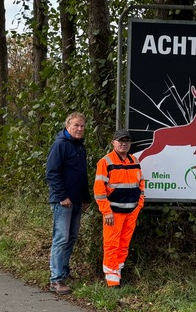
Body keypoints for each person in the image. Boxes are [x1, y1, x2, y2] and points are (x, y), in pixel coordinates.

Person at [93, 129, 145, 287]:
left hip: (132, 211)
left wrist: (139, 204)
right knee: (111, 244)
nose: (124, 144)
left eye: (127, 141)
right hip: (113, 213)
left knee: (124, 244)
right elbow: (99, 190)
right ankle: (112, 280)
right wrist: (106, 211)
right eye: (120, 141)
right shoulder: (106, 162)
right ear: (113, 143)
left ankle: (118, 273)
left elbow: (141, 183)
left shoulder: (134, 160)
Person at [45, 112, 90, 294]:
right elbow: (51, 173)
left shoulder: (80, 146)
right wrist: (62, 196)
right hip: (63, 202)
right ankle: (55, 280)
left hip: (77, 200)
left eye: (82, 126)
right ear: (67, 126)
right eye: (76, 125)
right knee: (61, 238)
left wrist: (86, 197)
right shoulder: (60, 145)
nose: (79, 129)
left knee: (71, 238)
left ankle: (63, 272)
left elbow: (82, 174)